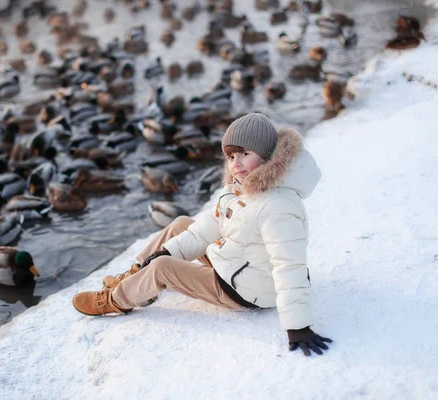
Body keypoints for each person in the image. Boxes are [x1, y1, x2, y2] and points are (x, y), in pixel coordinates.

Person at [72, 113, 333, 356]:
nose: (236, 163)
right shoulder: (244, 187)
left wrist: (297, 326)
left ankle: (116, 301)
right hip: (240, 265)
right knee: (183, 224)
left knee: (163, 268)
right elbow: (208, 226)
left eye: (244, 153)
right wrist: (168, 250)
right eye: (231, 157)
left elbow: (289, 266)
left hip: (248, 289)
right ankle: (138, 272)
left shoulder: (279, 206)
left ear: (266, 155)